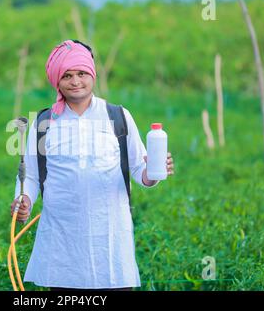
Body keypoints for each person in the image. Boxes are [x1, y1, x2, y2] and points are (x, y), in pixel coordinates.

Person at [10, 39, 174, 291]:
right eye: (67, 75)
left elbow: (141, 171)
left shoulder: (117, 116)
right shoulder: (44, 122)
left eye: (81, 73)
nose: (75, 81)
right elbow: (30, 176)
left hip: (110, 242)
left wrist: (154, 171)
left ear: (92, 75)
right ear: (57, 80)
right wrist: (24, 202)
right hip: (62, 243)